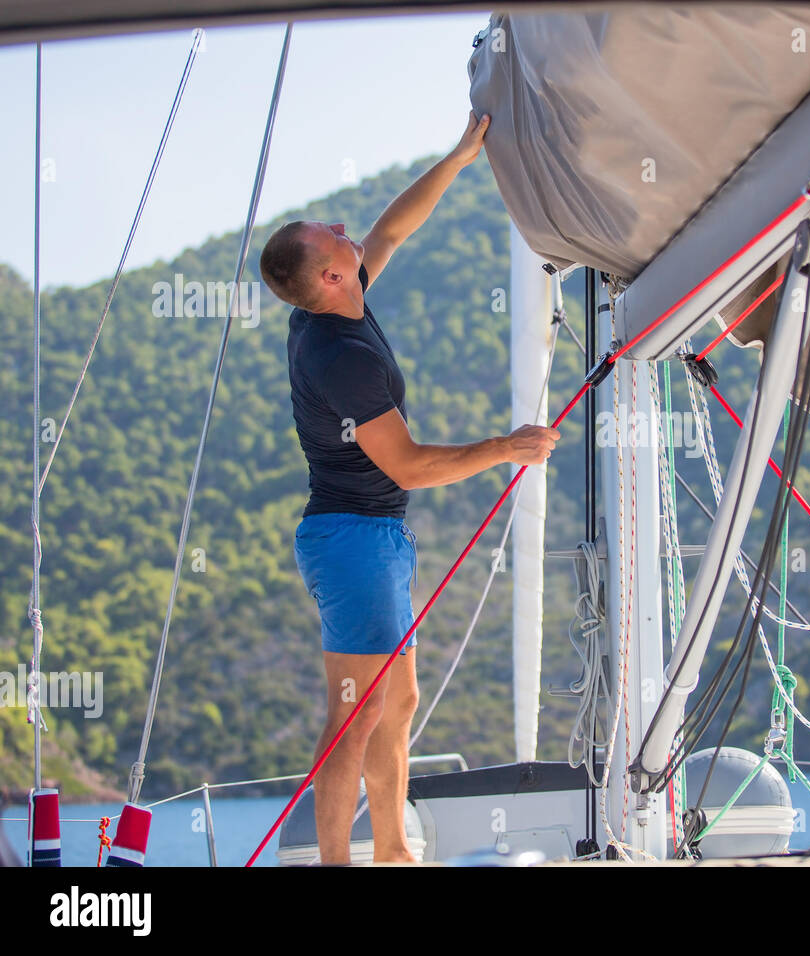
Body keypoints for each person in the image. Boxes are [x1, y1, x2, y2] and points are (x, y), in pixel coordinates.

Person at [258, 111, 559, 864]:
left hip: (375, 537)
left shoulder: (338, 297)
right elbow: (413, 467)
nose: (341, 225)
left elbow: (392, 228)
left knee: (397, 703)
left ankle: (392, 850)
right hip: (353, 539)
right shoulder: (340, 358)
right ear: (328, 277)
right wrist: (506, 447)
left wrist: (459, 158)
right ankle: (340, 862)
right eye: (331, 236)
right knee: (355, 714)